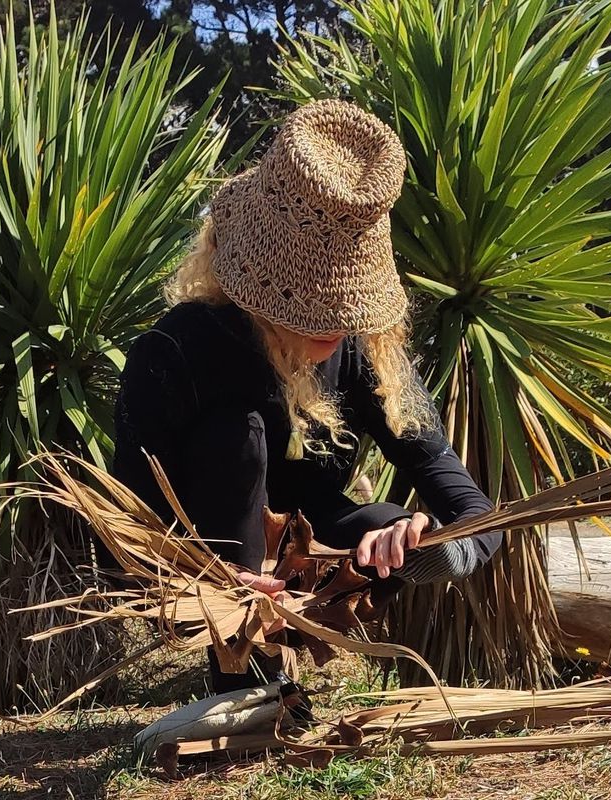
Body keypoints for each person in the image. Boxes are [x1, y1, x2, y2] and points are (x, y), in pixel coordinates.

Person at [110, 99, 503, 693]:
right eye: (313, 304)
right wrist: (213, 579)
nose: (334, 323)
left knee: (390, 521)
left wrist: (428, 543)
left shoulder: (364, 350)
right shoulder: (177, 350)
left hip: (315, 548)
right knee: (235, 435)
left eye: (343, 305)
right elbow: (129, 516)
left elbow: (478, 515)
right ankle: (243, 679)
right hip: (204, 563)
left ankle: (296, 653)